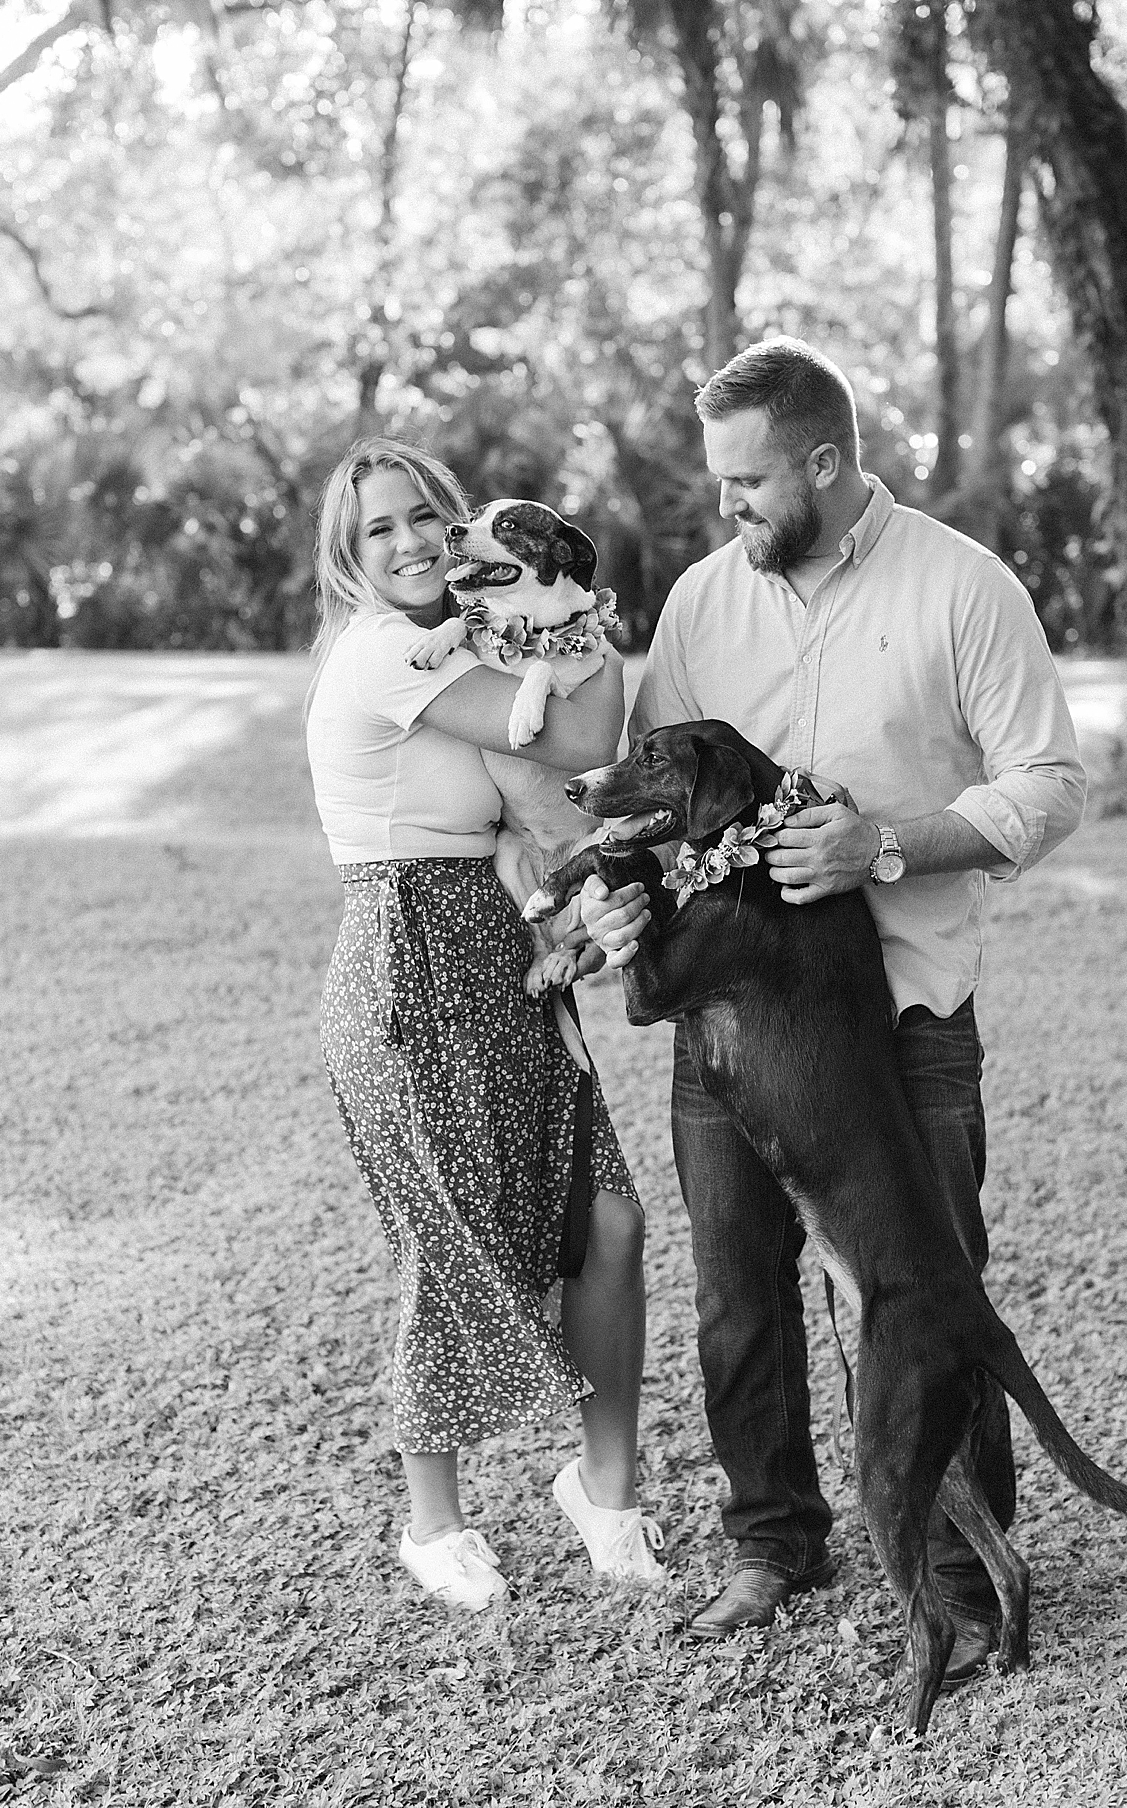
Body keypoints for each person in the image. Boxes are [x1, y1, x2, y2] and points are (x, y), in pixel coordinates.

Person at [581, 339, 1085, 1674]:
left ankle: (958, 1579)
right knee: (739, 1298)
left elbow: (1048, 786)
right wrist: (623, 902)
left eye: (750, 482)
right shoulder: (702, 603)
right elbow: (648, 795)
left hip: (908, 1022)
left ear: (824, 462)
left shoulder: (963, 589)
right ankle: (772, 1542)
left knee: (924, 1293)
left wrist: (888, 846)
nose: (729, 507)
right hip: (732, 1031)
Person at [305, 437, 663, 1612]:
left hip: (501, 943)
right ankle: (432, 1522)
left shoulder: (474, 636)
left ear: (454, 527)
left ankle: (603, 1495)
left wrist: (567, 630)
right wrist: (582, 642)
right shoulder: (379, 655)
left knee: (606, 1217)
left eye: (422, 517)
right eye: (377, 530)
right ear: (348, 558)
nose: (406, 541)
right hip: (407, 957)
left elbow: (564, 775)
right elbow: (566, 741)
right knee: (447, 1231)